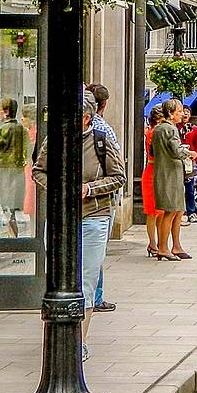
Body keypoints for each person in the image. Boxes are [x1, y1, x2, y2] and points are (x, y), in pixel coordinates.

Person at [33, 92, 125, 363]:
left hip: (94, 217)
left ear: (86, 117)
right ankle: (57, 335)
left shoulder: (101, 141)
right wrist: (59, 189)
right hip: (62, 217)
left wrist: (89, 189)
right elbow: (38, 171)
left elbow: (118, 177)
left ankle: (79, 341)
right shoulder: (55, 141)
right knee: (58, 276)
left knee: (86, 279)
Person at [86, 84, 122, 312]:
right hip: (100, 205)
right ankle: (95, 296)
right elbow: (118, 171)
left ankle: (92, 296)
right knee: (96, 254)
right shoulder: (104, 131)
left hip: (91, 201)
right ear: (105, 104)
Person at [153, 98, 197, 261]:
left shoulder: (161, 128)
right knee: (170, 211)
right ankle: (164, 247)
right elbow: (176, 150)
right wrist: (190, 153)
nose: (182, 114)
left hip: (168, 173)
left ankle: (175, 246)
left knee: (177, 210)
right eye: (179, 111)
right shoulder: (169, 129)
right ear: (171, 113)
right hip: (169, 174)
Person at [0, 98, 29, 238]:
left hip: (4, 167)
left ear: (6, 112)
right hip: (17, 167)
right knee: (14, 197)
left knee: (5, 197)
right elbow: (27, 148)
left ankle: (9, 221)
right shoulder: (21, 128)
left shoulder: (3, 129)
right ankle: (12, 221)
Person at [142, 106, 164, 257]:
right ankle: (152, 242)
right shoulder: (153, 133)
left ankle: (157, 242)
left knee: (159, 212)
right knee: (152, 212)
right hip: (152, 172)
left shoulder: (154, 131)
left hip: (157, 172)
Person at [181, 113, 197, 224]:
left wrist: (195, 157)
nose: (185, 114)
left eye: (187, 112)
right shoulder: (176, 128)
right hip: (177, 161)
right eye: (183, 111)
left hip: (189, 161)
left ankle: (191, 212)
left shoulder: (194, 129)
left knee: (189, 188)